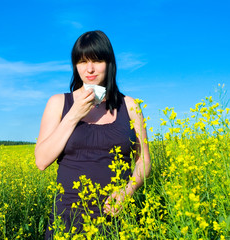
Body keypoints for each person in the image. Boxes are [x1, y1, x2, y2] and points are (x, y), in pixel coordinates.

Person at [35, 30, 151, 239]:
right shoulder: (58, 103)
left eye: (97, 60)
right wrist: (74, 115)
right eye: (81, 62)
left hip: (117, 219)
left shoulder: (130, 106)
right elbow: (42, 161)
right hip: (68, 220)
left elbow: (143, 160)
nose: (89, 69)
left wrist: (127, 192)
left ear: (109, 63)